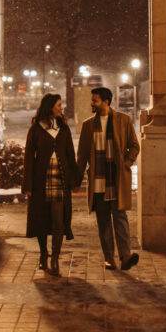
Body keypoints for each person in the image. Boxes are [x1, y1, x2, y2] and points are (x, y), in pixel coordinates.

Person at [77, 86, 140, 271]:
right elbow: (81, 156)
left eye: (95, 100)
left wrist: (126, 164)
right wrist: (77, 179)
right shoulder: (88, 125)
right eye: (92, 100)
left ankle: (125, 255)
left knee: (120, 217)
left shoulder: (123, 120)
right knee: (103, 220)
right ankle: (109, 258)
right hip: (97, 179)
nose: (92, 104)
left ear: (106, 101)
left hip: (116, 178)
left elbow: (134, 146)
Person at [22, 92, 78, 276]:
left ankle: (55, 257)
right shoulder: (36, 129)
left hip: (60, 179)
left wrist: (74, 179)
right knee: (40, 218)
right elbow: (29, 158)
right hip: (41, 180)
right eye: (58, 105)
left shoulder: (63, 128)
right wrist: (28, 185)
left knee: (58, 220)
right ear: (50, 107)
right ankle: (43, 254)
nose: (61, 108)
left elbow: (70, 154)